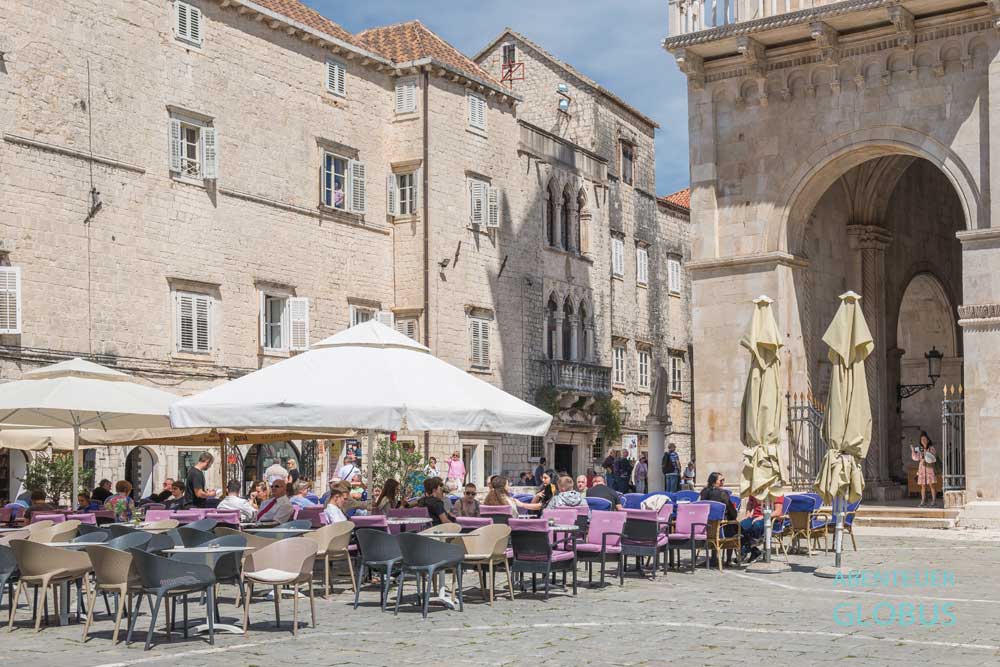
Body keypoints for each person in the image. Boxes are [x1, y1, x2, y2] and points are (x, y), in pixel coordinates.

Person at [914, 431, 938, 507]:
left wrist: (926, 452)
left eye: (924, 439)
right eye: (922, 440)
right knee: (923, 485)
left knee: (931, 485)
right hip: (922, 467)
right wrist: (913, 451)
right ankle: (923, 500)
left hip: (929, 468)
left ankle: (934, 500)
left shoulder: (931, 448)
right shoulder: (920, 449)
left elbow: (933, 458)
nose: (923, 441)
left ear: (928, 440)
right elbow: (916, 458)